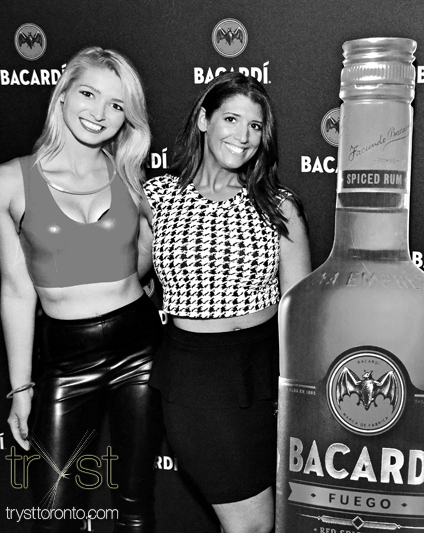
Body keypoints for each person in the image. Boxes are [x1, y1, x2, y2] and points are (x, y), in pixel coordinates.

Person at [0, 47, 162, 532]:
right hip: (65, 358)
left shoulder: (130, 176)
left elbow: (144, 264)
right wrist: (21, 388)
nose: (99, 113)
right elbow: (16, 291)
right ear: (63, 95)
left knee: (135, 506)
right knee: (54, 513)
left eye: (116, 104)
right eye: (88, 94)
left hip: (140, 349)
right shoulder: (10, 181)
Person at [144, 72, 310, 533]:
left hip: (264, 375)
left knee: (262, 519)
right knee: (251, 524)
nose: (244, 136)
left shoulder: (279, 206)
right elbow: (125, 278)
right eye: (231, 119)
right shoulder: (157, 198)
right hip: (197, 379)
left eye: (255, 126)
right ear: (203, 119)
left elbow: (299, 312)